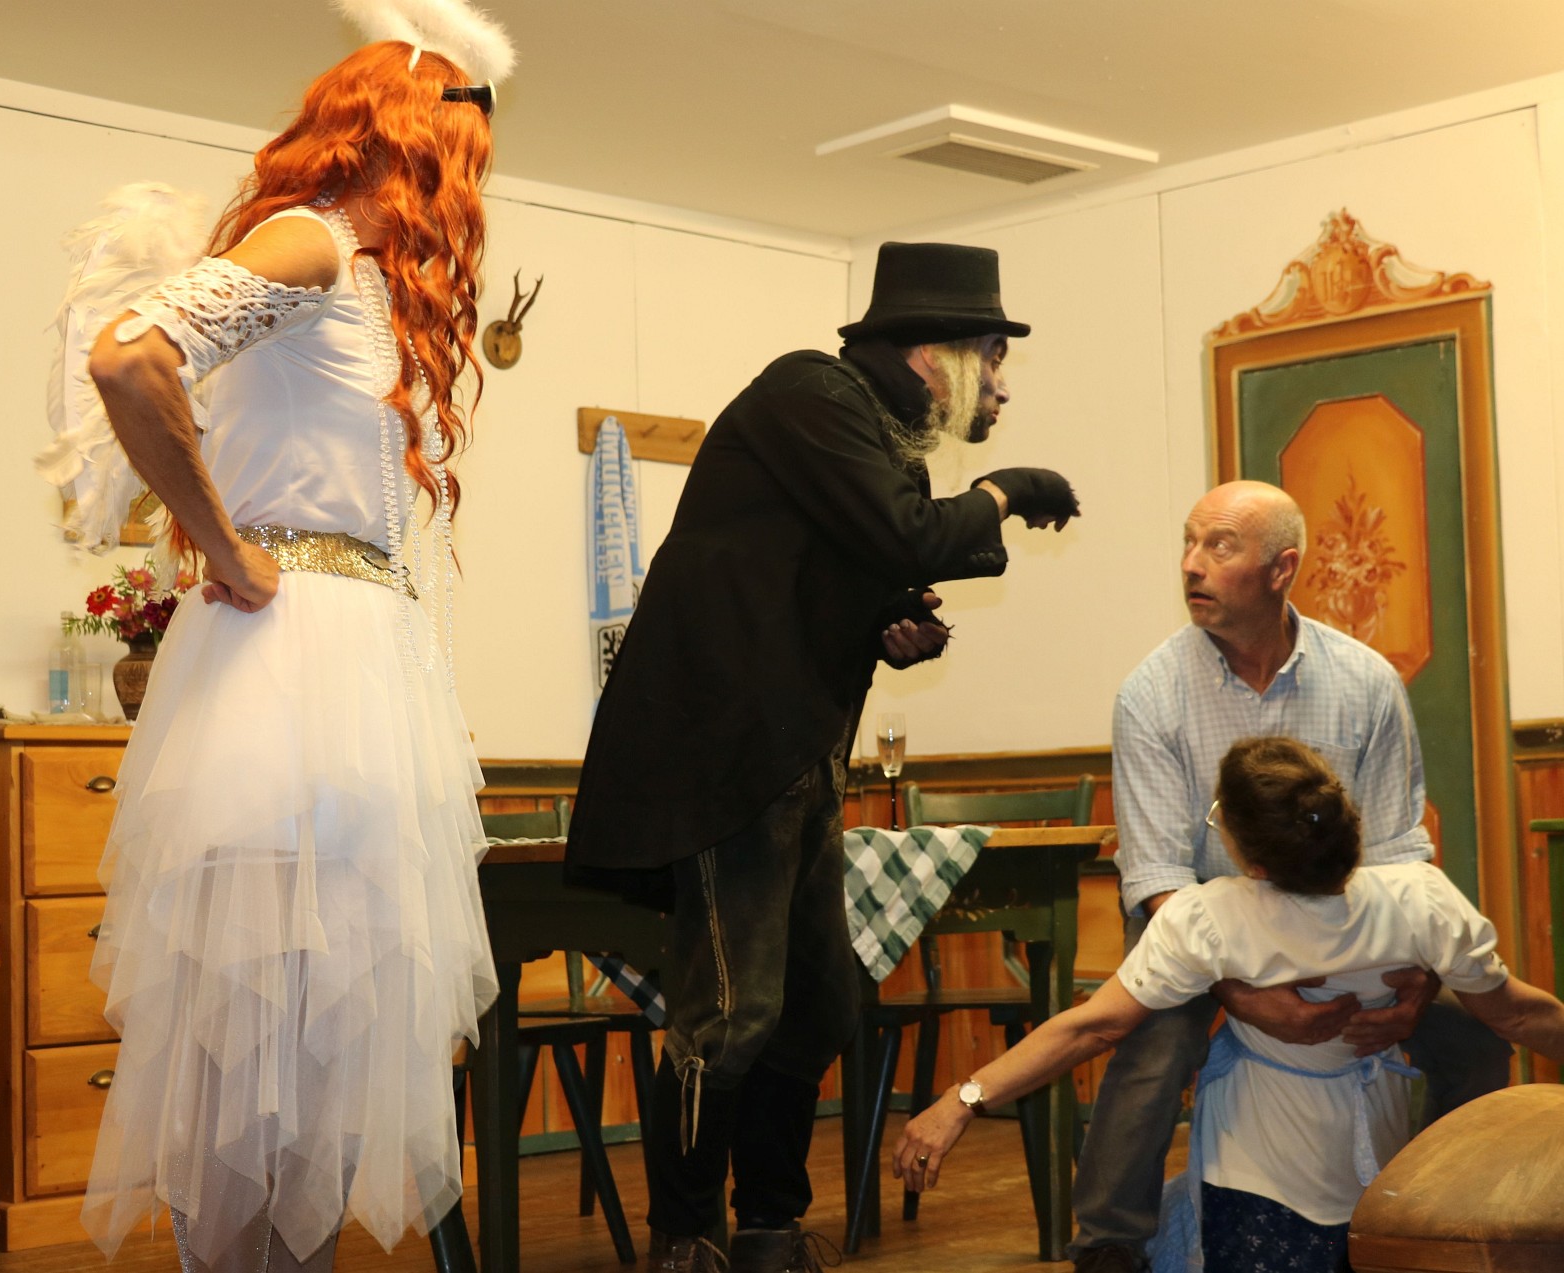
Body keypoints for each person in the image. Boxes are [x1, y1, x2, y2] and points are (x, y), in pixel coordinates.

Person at [75, 33, 509, 1273]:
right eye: (463, 155)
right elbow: (129, 355)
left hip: (363, 672)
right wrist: (223, 544)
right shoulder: (309, 241)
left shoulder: (369, 289)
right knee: (249, 1035)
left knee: (319, 1049)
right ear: (411, 142)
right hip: (287, 667)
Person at [564, 241, 1081, 1273]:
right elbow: (910, 535)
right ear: (934, 353)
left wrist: (884, 628)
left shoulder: (874, 440)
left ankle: (767, 1226)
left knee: (815, 1008)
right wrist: (1004, 488)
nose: (1001, 384)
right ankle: (685, 1240)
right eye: (992, 355)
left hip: (794, 757)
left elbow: (828, 577)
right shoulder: (813, 391)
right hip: (726, 761)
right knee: (730, 1013)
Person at [893, 735, 1564, 1273]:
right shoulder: (1421, 900)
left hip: (1256, 1188)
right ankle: (1444, 1211)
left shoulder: (1211, 917)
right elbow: (1522, 1014)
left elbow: (1091, 1027)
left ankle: (1109, 1245)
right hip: (1378, 1183)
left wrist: (962, 1100)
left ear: (1255, 861)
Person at [1065, 480, 1512, 1273]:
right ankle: (1109, 1243)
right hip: (1203, 934)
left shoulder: (1367, 681)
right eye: (1189, 541)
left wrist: (1414, 975)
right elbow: (1160, 876)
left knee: (1470, 1030)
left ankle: (1446, 1216)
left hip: (1344, 923)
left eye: (1219, 545)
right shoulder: (1151, 694)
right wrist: (1239, 988)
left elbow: (1398, 854)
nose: (1191, 563)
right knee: (1155, 1038)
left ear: (1283, 569)